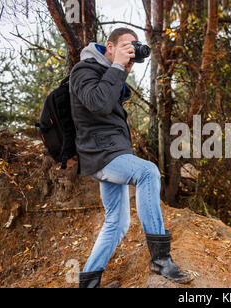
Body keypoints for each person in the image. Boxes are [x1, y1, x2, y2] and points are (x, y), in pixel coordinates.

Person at [69, 28, 193, 288]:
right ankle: (161, 260)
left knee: (117, 221)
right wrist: (116, 67)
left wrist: (121, 70)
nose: (131, 50)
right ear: (109, 47)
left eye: (134, 46)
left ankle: (88, 283)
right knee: (148, 171)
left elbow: (113, 99)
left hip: (112, 152)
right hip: (100, 154)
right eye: (126, 45)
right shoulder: (83, 70)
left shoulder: (110, 72)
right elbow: (99, 104)